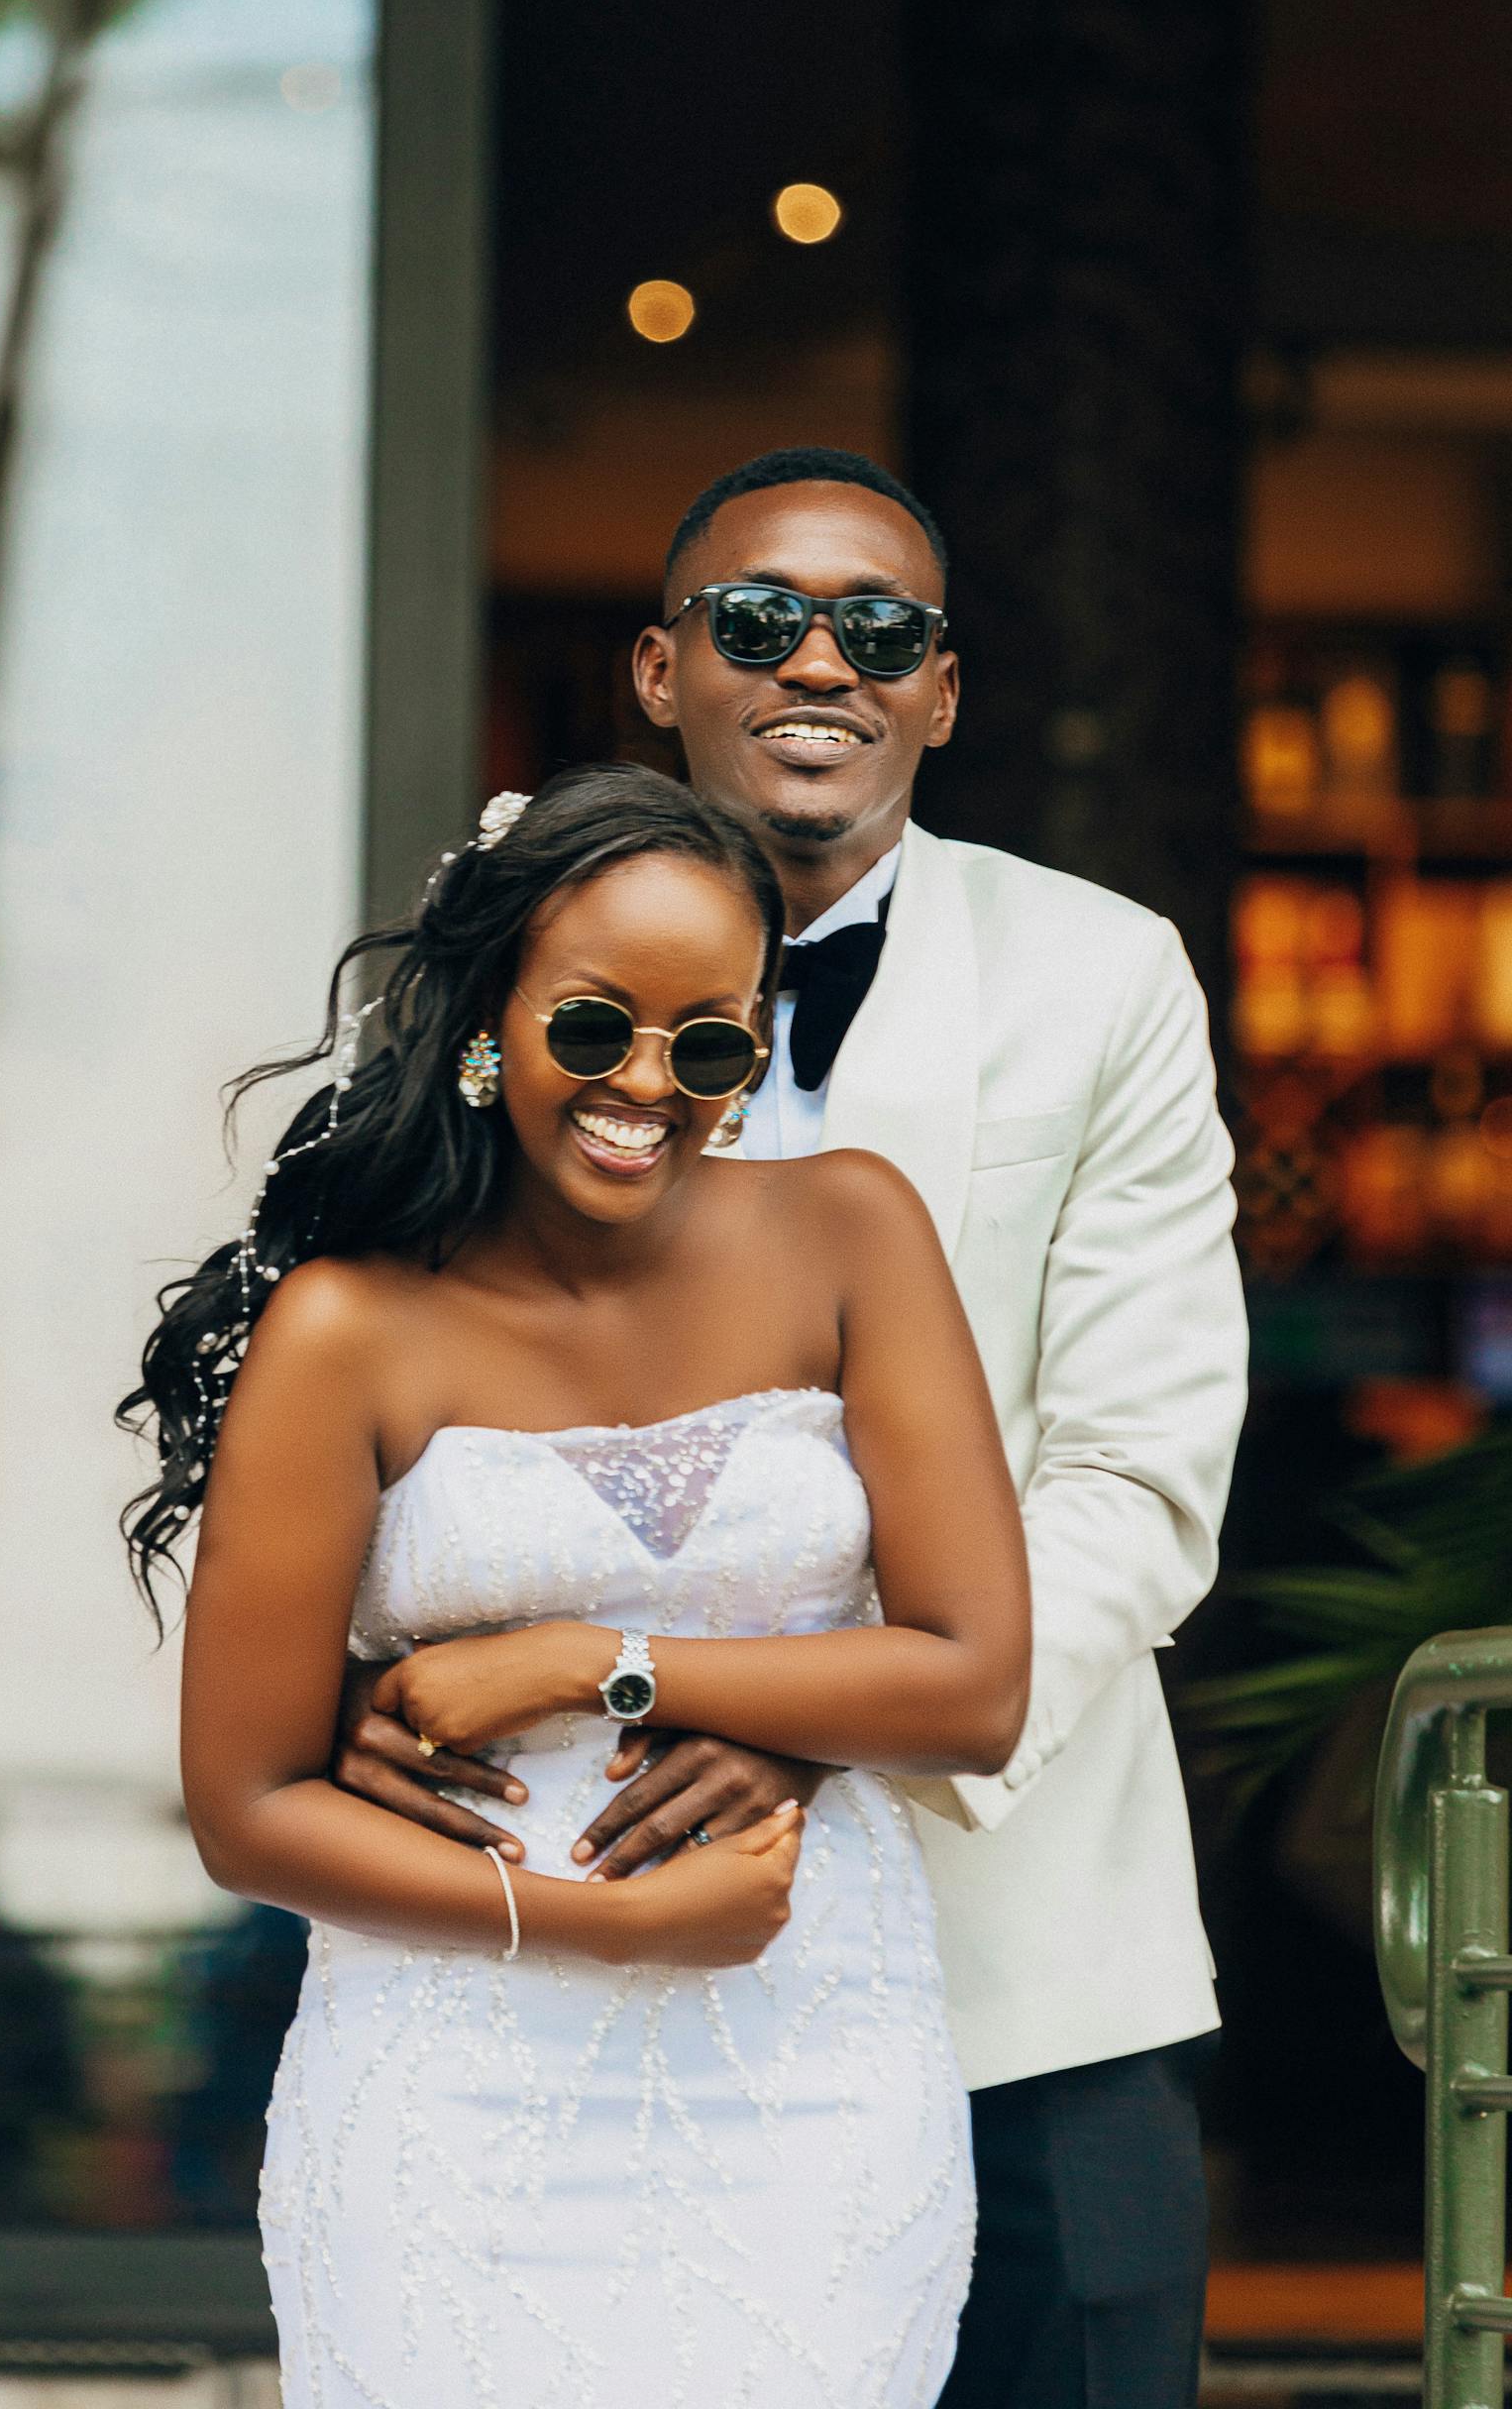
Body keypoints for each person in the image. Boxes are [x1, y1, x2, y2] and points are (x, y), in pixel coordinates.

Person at [334, 450, 1248, 2409]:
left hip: (1028, 1972)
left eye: (880, 628)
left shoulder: (1103, 979)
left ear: (941, 689)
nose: (819, 661)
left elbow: (1141, 1478)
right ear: (663, 669)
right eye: (760, 621)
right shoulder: (492, 981)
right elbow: (363, 1410)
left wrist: (777, 1702)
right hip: (546, 1974)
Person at [122, 764, 1030, 2407]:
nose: (648, 1089)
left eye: (710, 1045)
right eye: (594, 1028)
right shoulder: (348, 1330)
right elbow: (246, 1806)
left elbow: (971, 1684)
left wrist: (580, 1658)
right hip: (454, 2090)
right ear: (492, 1018)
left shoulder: (852, 1233)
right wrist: (603, 1923)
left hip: (815, 2067)